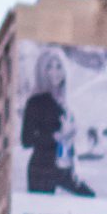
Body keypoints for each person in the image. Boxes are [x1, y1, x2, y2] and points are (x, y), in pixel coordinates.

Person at [20, 46, 92, 197]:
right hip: (42, 168)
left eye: (59, 67)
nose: (54, 72)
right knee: (42, 212)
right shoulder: (36, 101)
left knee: (89, 197)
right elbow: (26, 140)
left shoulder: (66, 104)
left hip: (64, 166)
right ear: (42, 71)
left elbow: (69, 142)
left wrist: (74, 164)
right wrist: (56, 137)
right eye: (49, 67)